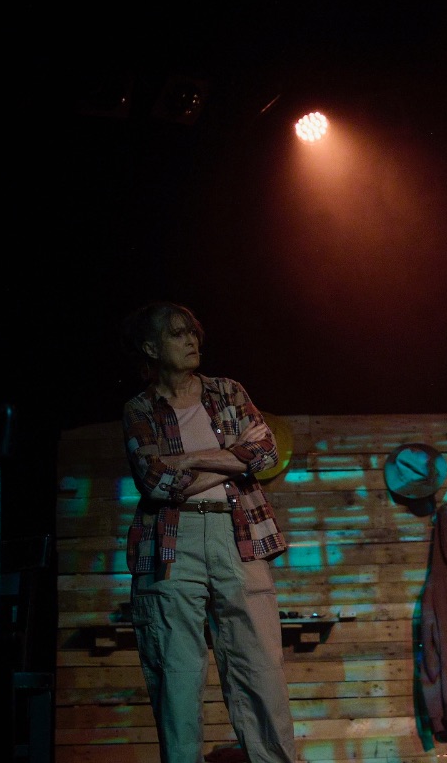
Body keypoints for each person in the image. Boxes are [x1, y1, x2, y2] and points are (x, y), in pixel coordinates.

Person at [120, 301, 296, 763]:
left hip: (239, 535)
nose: (191, 340)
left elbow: (265, 452)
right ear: (150, 348)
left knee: (260, 669)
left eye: (193, 332)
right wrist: (232, 458)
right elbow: (156, 482)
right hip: (171, 543)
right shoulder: (140, 409)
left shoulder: (227, 391)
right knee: (176, 675)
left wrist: (190, 459)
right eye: (177, 334)